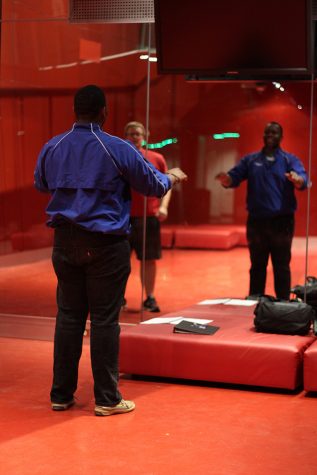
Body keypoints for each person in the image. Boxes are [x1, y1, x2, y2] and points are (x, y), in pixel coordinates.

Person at [34, 85, 187, 416]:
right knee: (104, 319)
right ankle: (106, 399)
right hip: (105, 244)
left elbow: (41, 183)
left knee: (69, 317)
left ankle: (60, 395)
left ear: (74, 111)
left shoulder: (53, 146)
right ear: (104, 112)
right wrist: (172, 177)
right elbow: (154, 186)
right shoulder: (118, 147)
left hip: (64, 241)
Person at [215, 121, 308, 300]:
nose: (270, 136)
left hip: (282, 222)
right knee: (257, 264)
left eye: (274, 133)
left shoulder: (289, 160)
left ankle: (283, 302)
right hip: (257, 221)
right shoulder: (251, 160)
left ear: (281, 137)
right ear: (263, 136)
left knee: (281, 264)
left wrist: (297, 179)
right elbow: (233, 177)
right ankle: (255, 301)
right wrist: (226, 180)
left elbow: (303, 179)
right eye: (267, 133)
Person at [124, 121, 172, 312]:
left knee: (149, 259)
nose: (134, 137)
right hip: (123, 218)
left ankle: (149, 297)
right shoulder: (119, 158)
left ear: (145, 136)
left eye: (137, 134)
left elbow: (167, 184)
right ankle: (119, 297)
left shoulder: (157, 158)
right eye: (130, 134)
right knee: (120, 260)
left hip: (148, 217)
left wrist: (164, 207)